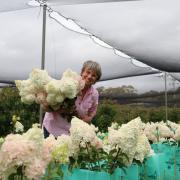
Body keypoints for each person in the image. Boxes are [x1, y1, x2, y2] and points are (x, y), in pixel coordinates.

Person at [42, 60, 102, 138]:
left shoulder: (94, 94)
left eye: (94, 75)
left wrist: (89, 118)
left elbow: (93, 110)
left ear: (96, 80)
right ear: (82, 72)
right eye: (88, 72)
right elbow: (50, 103)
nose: (90, 76)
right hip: (53, 129)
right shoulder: (70, 84)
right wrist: (61, 110)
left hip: (71, 133)